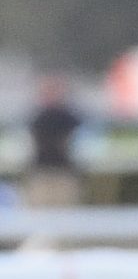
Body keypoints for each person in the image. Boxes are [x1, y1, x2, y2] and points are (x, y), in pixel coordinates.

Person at [24, 77, 84, 209]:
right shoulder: (36, 118)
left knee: (66, 215)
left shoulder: (72, 119)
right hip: (42, 173)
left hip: (63, 173)